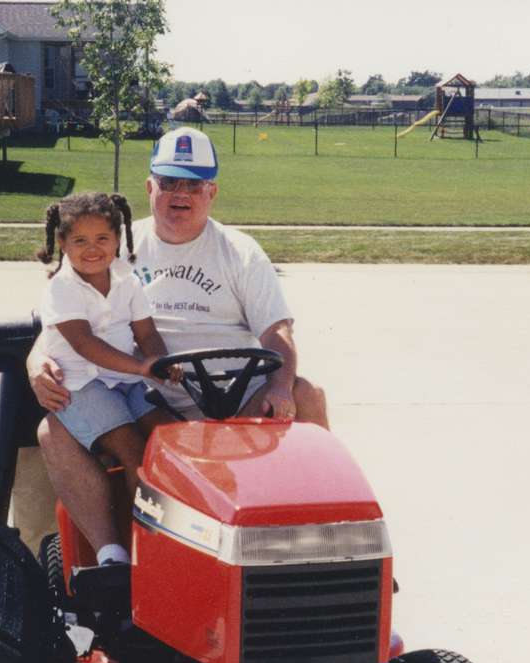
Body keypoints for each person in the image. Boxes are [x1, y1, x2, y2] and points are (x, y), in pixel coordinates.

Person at [26, 127, 328, 553]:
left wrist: (279, 384)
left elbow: (277, 331)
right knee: (52, 429)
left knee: (307, 394)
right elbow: (64, 321)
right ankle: (114, 558)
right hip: (151, 399)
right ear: (150, 187)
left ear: (212, 192)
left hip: (238, 400)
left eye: (193, 184)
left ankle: (327, 542)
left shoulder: (239, 252)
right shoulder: (116, 246)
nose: (179, 194)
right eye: (169, 182)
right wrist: (35, 361)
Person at [35, 191, 179, 566]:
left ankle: (185, 538)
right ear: (62, 243)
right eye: (79, 241)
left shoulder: (127, 280)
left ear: (118, 239)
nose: (92, 249)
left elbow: (146, 335)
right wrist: (140, 368)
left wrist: (160, 362)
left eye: (102, 239)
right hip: (80, 385)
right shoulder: (61, 289)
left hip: (125, 381)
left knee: (171, 437)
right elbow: (83, 344)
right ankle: (139, 553)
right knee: (134, 452)